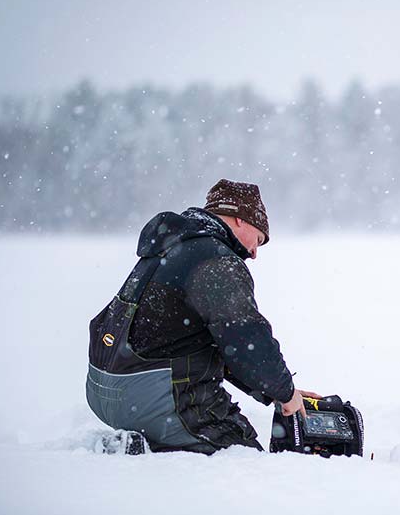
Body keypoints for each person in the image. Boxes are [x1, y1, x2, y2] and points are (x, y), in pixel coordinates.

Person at [86, 179, 319, 454]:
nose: (255, 254)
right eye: (258, 240)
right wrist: (284, 391)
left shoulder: (171, 246)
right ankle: (157, 445)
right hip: (154, 397)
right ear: (239, 219)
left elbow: (221, 345)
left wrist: (279, 391)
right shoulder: (216, 260)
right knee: (240, 452)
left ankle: (148, 444)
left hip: (107, 389)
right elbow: (246, 339)